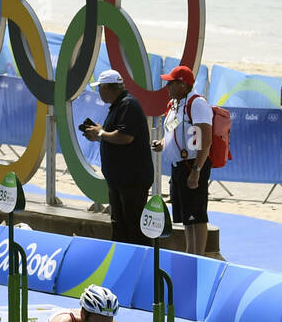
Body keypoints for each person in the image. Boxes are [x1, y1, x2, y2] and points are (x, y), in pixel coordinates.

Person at [82, 69, 153, 245]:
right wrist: (100, 132)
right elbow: (115, 135)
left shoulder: (129, 105)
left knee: (134, 227)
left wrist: (100, 134)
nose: (98, 92)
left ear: (107, 88)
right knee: (120, 226)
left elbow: (125, 137)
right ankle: (123, 263)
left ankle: (141, 265)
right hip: (120, 180)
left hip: (131, 180)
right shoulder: (120, 105)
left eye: (100, 88)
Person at [152, 65, 211, 256]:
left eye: (171, 83)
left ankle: (197, 256)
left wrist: (196, 170)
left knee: (197, 216)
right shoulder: (175, 105)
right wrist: (162, 143)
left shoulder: (197, 103)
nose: (167, 86)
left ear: (183, 85)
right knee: (187, 216)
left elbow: (206, 139)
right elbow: (173, 133)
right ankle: (190, 253)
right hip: (178, 166)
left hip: (192, 165)